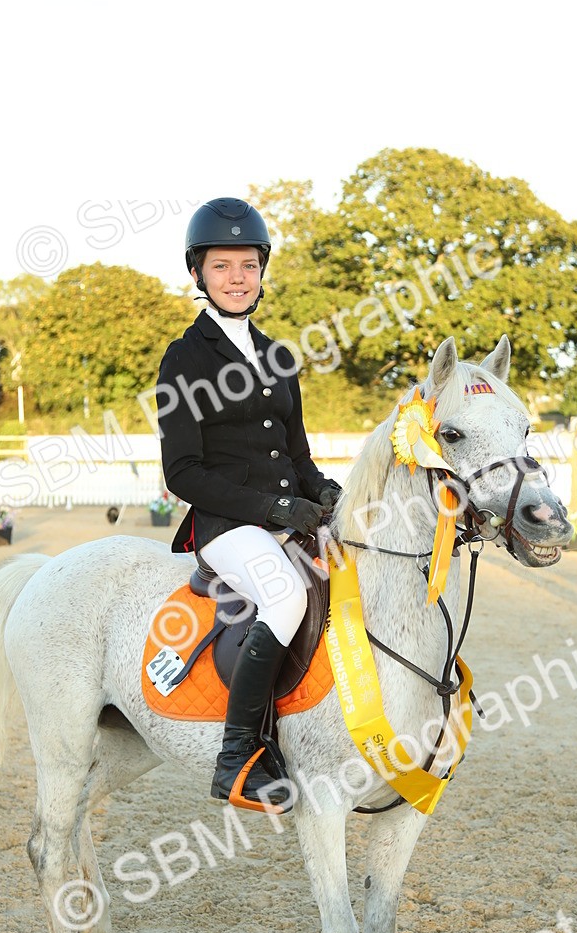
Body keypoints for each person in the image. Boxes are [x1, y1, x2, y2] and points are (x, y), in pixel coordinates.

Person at [155, 197, 341, 807]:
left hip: (287, 518)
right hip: (226, 525)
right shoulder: (184, 357)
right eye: (221, 266)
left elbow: (299, 456)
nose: (236, 278)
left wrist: (326, 493)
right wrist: (273, 512)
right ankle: (239, 756)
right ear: (198, 275)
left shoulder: (280, 356)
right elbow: (182, 472)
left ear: (262, 270)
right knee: (284, 595)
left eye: (247, 265)